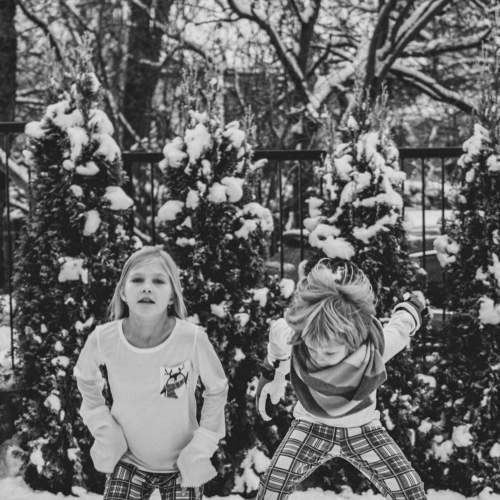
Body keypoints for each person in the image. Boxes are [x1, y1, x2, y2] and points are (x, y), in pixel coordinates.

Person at [256, 258, 427, 500]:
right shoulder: (296, 337)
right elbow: (278, 336)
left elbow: (399, 329)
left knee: (410, 490)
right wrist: (273, 374)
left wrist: (412, 307)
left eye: (329, 352)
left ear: (351, 343)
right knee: (272, 486)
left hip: (363, 430)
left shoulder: (372, 351)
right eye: (313, 349)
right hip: (310, 427)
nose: (319, 356)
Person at [74, 246, 228, 500]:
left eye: (158, 281)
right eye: (137, 280)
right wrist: (103, 426)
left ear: (172, 296)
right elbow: (84, 376)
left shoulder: (191, 339)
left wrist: (203, 443)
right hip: (129, 460)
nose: (147, 288)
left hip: (181, 465)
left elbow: (217, 387)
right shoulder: (104, 339)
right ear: (123, 292)